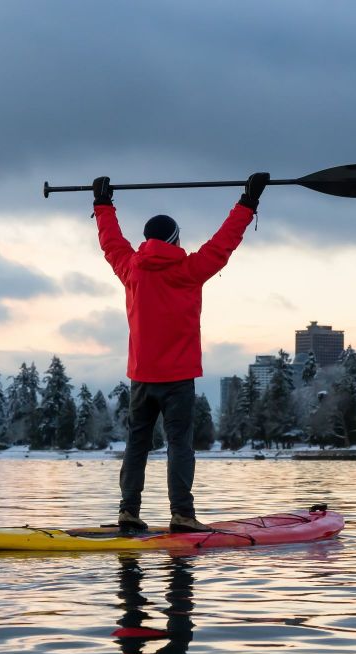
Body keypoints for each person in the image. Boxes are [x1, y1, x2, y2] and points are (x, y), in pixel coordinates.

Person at [92, 170, 269, 534]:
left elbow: (111, 242)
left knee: (136, 445)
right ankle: (182, 516)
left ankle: (128, 512)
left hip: (141, 377)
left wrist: (102, 203)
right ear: (174, 240)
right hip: (177, 379)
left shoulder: (131, 268)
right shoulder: (189, 269)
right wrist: (248, 201)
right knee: (179, 447)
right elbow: (224, 243)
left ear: (148, 240)